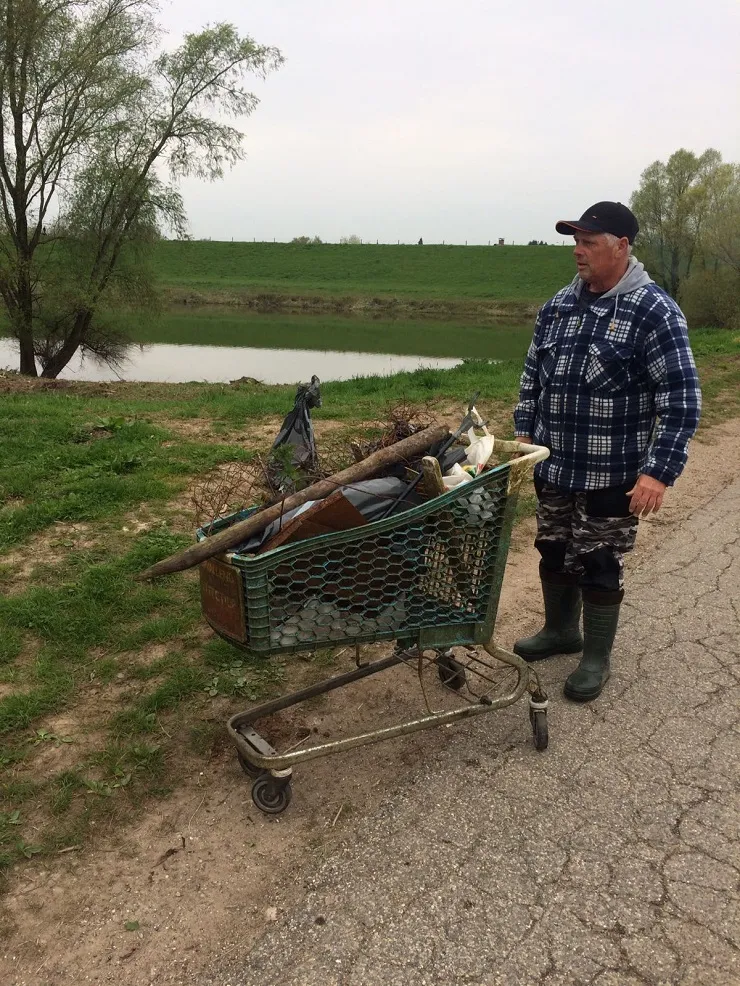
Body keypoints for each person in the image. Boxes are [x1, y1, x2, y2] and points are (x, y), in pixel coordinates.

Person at [512, 201, 701, 701]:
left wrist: (658, 473)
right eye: (575, 241)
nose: (578, 251)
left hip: (612, 472)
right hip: (552, 465)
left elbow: (681, 400)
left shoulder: (654, 311)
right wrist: (524, 433)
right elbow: (532, 377)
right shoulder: (557, 306)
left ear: (621, 247)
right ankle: (560, 632)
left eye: (589, 242)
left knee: (598, 561)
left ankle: (595, 657)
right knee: (552, 549)